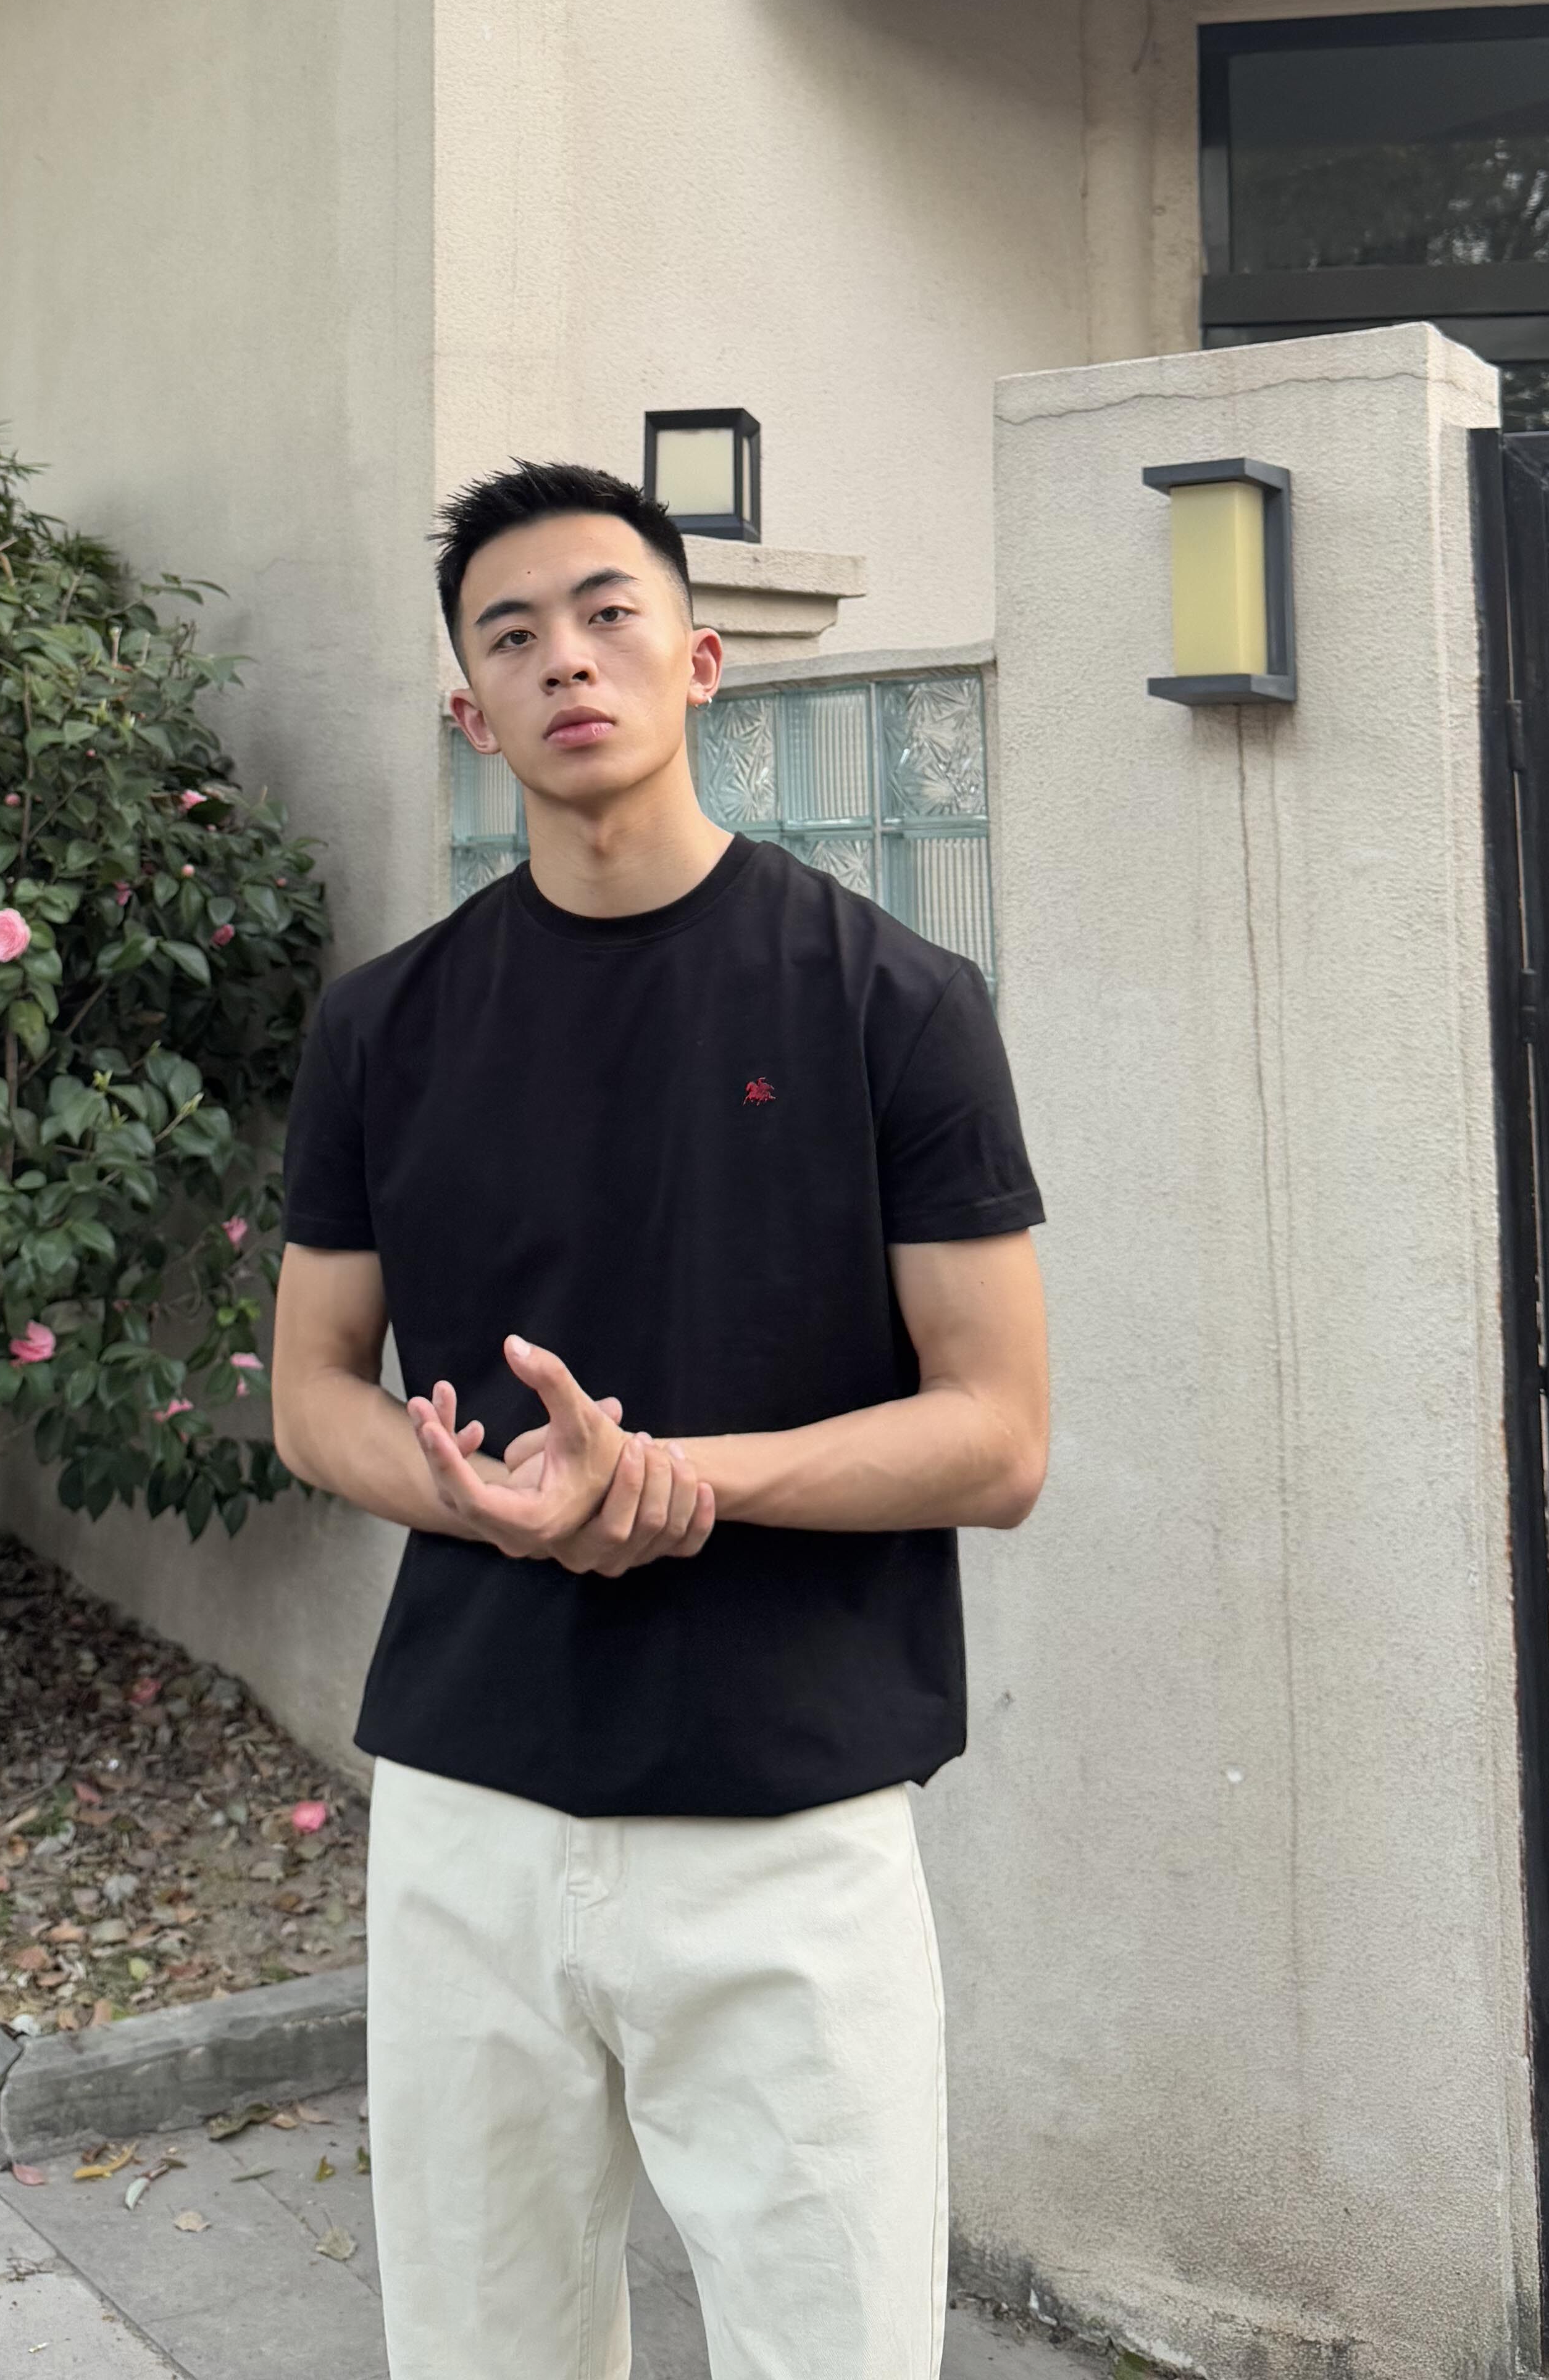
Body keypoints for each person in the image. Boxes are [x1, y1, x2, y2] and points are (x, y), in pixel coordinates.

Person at [270, 459, 1049, 2380]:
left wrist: (680, 1483)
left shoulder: (893, 1001)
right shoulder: (383, 1028)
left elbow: (999, 1435)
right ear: (472, 712)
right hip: (470, 1807)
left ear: (701, 661)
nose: (567, 660)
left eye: (609, 614)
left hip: (787, 1811)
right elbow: (310, 1393)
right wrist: (484, 1500)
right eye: (511, 635)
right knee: (481, 2349)